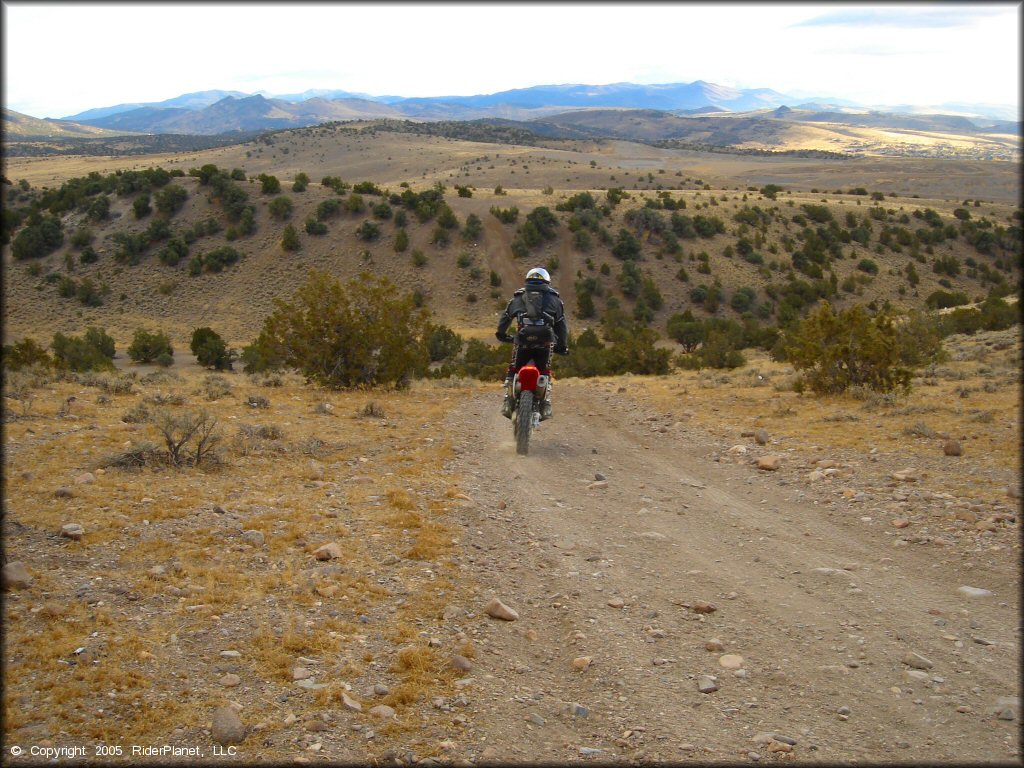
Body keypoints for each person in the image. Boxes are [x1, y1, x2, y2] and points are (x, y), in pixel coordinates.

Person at [495, 267, 569, 420]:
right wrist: (562, 346)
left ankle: (508, 401)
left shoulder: (517, 298)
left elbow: (505, 319)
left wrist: (502, 335)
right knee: (545, 372)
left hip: (522, 344)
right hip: (545, 345)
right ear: (547, 281)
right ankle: (545, 403)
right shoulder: (555, 300)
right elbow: (562, 327)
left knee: (513, 369)